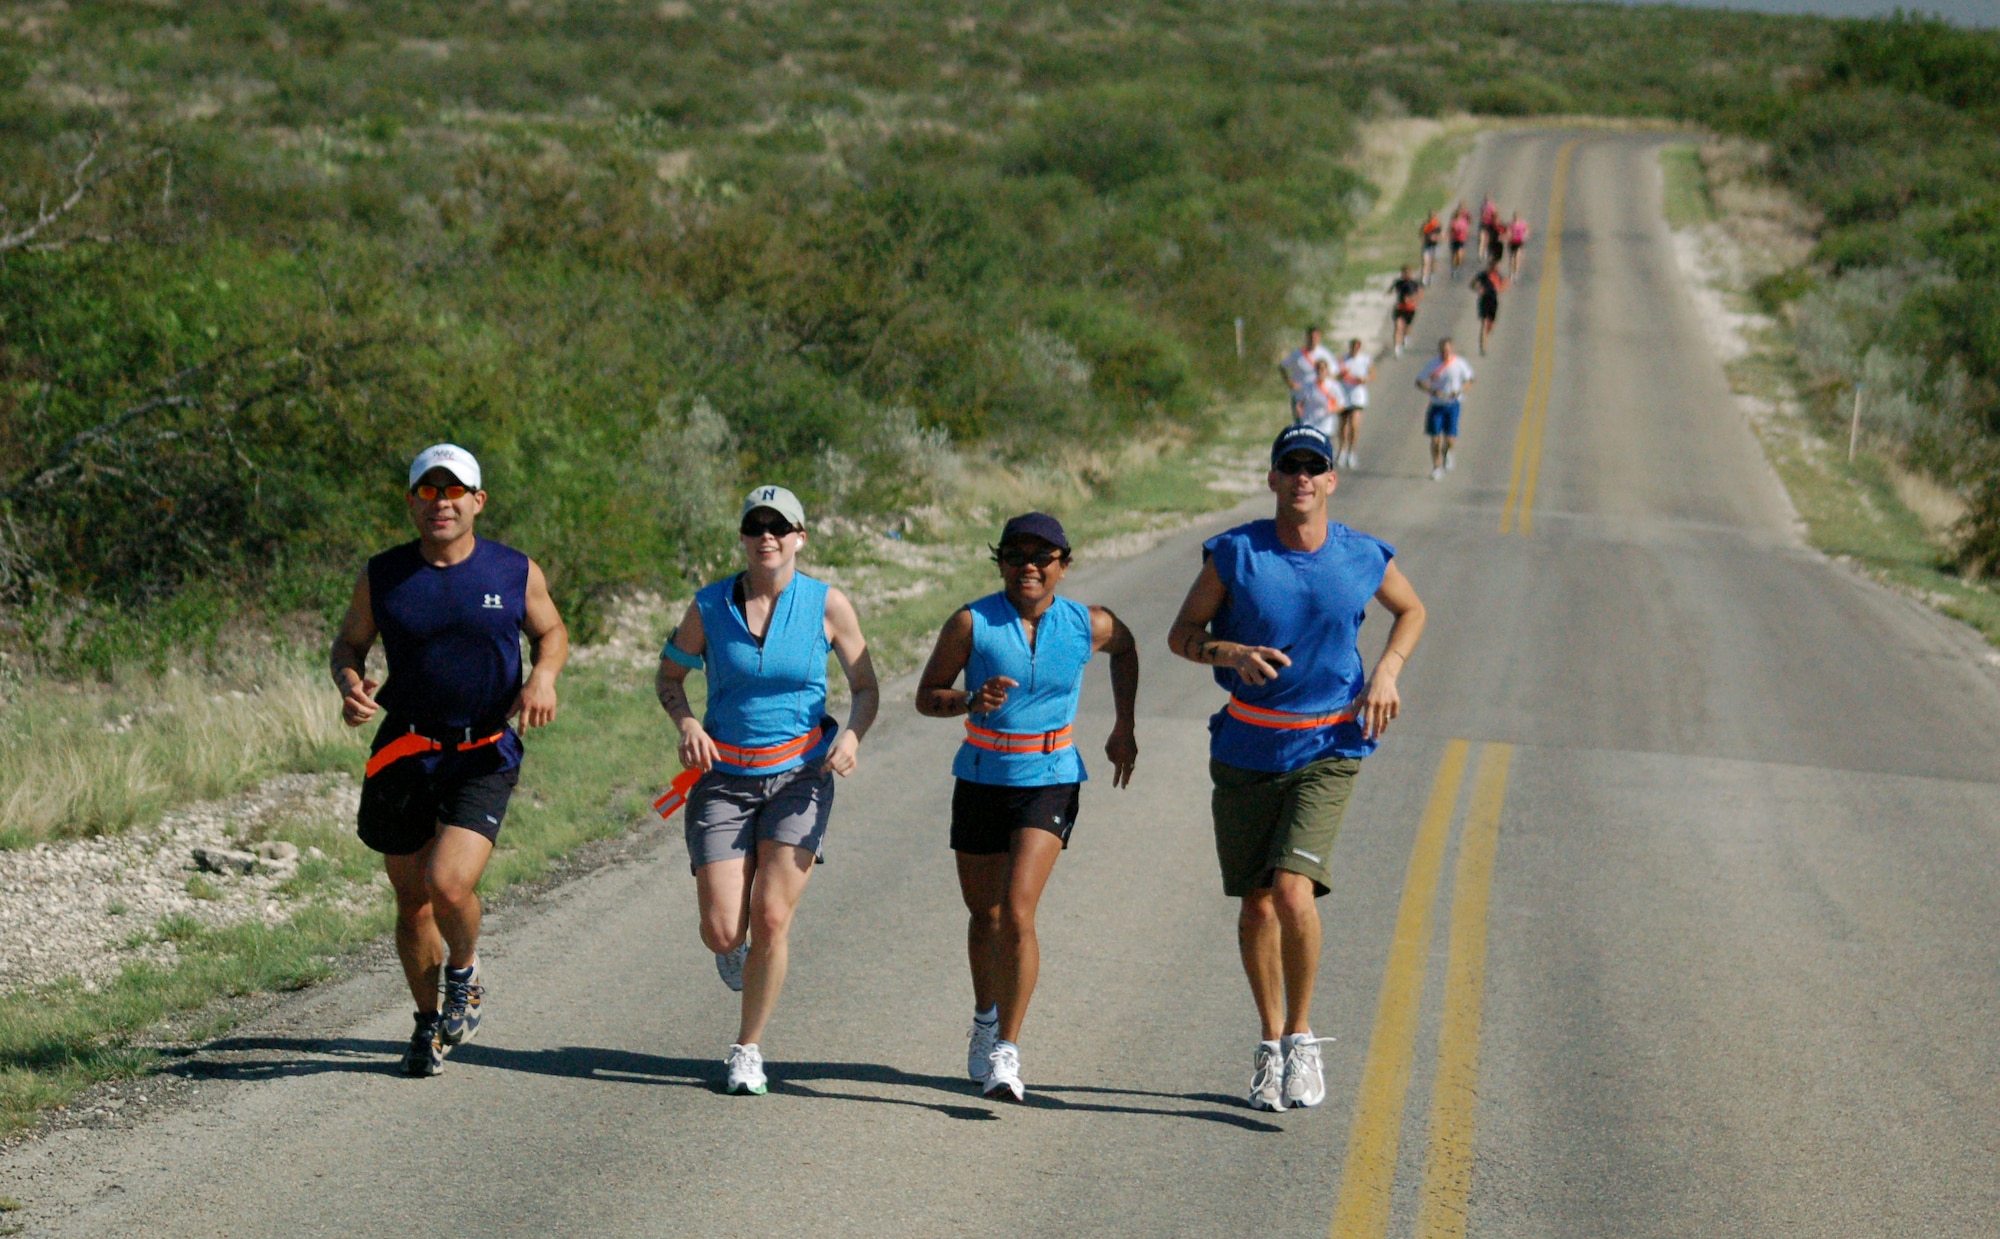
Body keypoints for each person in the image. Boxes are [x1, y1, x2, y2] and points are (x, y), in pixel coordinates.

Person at [1166, 424, 1426, 1113]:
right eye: (1292, 467)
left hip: (1330, 748)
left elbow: (1411, 609)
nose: (1303, 478)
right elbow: (1182, 635)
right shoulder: (1236, 555)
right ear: (1275, 479)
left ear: (1331, 481)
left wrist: (1387, 672)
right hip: (1247, 750)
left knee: (1291, 892)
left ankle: (1304, 1038)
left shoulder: (1362, 555)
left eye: (1315, 467)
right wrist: (1231, 654)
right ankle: (1271, 1041)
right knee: (1255, 903)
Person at [330, 443, 570, 1077]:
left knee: (447, 883)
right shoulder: (383, 576)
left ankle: (464, 973)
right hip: (405, 750)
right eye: (429, 491)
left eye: (454, 490)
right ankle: (425, 1024)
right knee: (411, 902)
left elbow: (551, 632)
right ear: (412, 502)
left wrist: (543, 677)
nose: (442, 502)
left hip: (482, 752)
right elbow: (350, 643)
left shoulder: (513, 571)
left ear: (477, 501)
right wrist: (350, 682)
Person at [656, 484, 880, 1096]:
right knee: (725, 931)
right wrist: (688, 723)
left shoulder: (827, 605)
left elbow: (865, 687)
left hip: (799, 777)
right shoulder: (707, 608)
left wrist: (853, 736)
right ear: (744, 538)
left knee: (772, 916)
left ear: (800, 537)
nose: (767, 537)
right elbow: (670, 676)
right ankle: (737, 951)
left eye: (779, 527)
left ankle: (747, 1049)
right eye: (755, 526)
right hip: (723, 780)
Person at [914, 513, 1139, 1102]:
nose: (1029, 567)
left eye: (1043, 557)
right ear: (1001, 563)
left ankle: (1007, 1053)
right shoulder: (971, 623)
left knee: (1017, 910)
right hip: (984, 777)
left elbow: (1128, 648)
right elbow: (925, 697)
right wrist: (968, 698)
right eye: (1015, 556)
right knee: (984, 915)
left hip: (1052, 776)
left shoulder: (1088, 623)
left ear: (1064, 564)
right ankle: (985, 1018)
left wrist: (1124, 725)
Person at [1416, 338, 1476, 481]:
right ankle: (1436, 467)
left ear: (1452, 350)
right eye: (1443, 350)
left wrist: (1460, 390)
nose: (1445, 353)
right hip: (1437, 405)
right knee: (1435, 439)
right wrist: (1432, 390)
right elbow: (1419, 381)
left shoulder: (1460, 364)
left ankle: (1448, 454)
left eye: (1448, 350)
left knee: (1450, 440)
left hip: (1453, 404)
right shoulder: (1434, 364)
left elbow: (1470, 380)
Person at [1279, 327, 1337, 424]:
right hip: (1300, 395)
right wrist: (1289, 382)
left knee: (1321, 425)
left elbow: (1334, 372)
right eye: (1311, 337)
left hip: (1319, 396)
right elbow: (1283, 366)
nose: (1313, 340)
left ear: (1319, 338)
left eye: (1316, 337)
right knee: (1301, 425)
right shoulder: (1298, 354)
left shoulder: (1325, 354)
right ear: (1307, 338)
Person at [1333, 338, 1374, 471]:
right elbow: (1334, 375)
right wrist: (1342, 375)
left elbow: (1372, 374)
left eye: (1357, 347)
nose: (1355, 350)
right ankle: (1342, 451)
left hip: (1358, 396)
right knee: (1343, 425)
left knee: (1354, 425)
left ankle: (1352, 452)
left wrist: (1365, 379)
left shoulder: (1365, 359)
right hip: (1343, 396)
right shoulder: (1342, 360)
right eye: (1353, 347)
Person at [1471, 260, 1509, 356]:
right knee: (1484, 324)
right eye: (1494, 266)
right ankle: (1482, 347)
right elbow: (1472, 284)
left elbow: (1504, 287)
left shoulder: (1499, 276)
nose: (1496, 268)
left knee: (1491, 326)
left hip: (1493, 301)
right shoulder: (1483, 275)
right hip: (1484, 300)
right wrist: (1478, 289)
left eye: (1497, 266)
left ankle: (1485, 338)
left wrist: (1500, 288)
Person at [1296, 356, 1339, 438]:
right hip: (1309, 424)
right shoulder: (1308, 385)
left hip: (1326, 425)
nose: (1321, 371)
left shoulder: (1333, 386)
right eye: (1318, 368)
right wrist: (1299, 409)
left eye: (1323, 369)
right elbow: (1299, 401)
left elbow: (1341, 405)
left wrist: (1332, 409)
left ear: (1326, 370)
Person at [1387, 266, 1423, 359]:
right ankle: (1397, 348)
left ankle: (1406, 337)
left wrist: (1411, 299)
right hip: (1400, 308)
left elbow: (1420, 294)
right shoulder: (1398, 283)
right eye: (1404, 273)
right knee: (1398, 327)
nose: (1406, 275)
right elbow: (1390, 290)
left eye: (1407, 273)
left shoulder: (1414, 283)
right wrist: (1389, 292)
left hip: (1410, 308)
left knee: (1407, 326)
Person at [1418, 209, 1442, 285]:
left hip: (1434, 246)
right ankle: (1424, 278)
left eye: (1434, 216)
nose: (1432, 217)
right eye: (1431, 216)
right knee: (1425, 262)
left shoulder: (1438, 225)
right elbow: (1421, 233)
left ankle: (1431, 276)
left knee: (1432, 262)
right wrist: (1423, 239)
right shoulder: (1426, 225)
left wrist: (1436, 237)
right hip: (1426, 245)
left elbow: (1440, 235)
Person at [1448, 203, 1471, 275]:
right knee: (1454, 255)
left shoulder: (1464, 222)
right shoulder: (1453, 222)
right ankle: (1454, 268)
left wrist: (1466, 234)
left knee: (1460, 255)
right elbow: (1450, 230)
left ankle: (1459, 267)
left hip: (1461, 240)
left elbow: (1467, 229)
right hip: (1454, 240)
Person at [1506, 212, 1531, 280]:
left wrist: (1525, 236)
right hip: (1512, 243)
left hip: (1519, 243)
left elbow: (1528, 231)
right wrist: (1510, 236)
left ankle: (1516, 273)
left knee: (1517, 258)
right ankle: (1511, 272)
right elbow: (1508, 232)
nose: (1516, 218)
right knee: (1512, 259)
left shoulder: (1523, 224)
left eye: (1517, 217)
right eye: (1515, 217)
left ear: (1519, 217)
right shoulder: (1511, 224)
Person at [1478, 194, 1501, 264]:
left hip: (1488, 224)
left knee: (1486, 239)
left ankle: (1483, 252)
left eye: (1487, 199)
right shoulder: (1484, 206)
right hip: (1485, 224)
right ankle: (1481, 254)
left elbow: (1495, 215)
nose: (1486, 201)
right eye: (1486, 199)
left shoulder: (1489, 206)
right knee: (1483, 239)